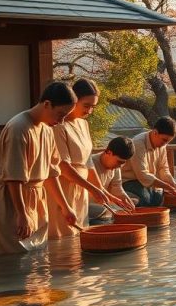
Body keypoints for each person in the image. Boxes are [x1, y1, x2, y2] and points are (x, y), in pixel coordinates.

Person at [0, 82, 78, 255]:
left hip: (35, 198)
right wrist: (21, 215)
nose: (61, 121)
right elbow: (14, 177)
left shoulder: (47, 129)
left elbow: (51, 173)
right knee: (10, 255)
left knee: (36, 256)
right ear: (46, 104)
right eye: (60, 115)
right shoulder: (19, 128)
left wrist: (65, 206)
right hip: (11, 199)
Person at [48, 78, 131, 238]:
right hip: (63, 188)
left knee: (78, 237)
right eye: (86, 106)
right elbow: (63, 166)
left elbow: (88, 162)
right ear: (73, 100)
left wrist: (101, 190)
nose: (89, 111)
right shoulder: (58, 125)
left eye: (93, 107)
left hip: (81, 190)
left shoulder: (83, 124)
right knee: (62, 235)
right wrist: (92, 188)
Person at [122, 117, 176, 207]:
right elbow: (142, 174)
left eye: (168, 141)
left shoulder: (162, 145)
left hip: (146, 182)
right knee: (146, 199)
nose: (165, 144)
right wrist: (166, 186)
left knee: (158, 197)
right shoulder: (138, 143)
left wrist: (172, 182)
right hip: (129, 181)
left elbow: (163, 168)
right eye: (164, 140)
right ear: (155, 132)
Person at [88, 136, 136, 219]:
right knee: (108, 214)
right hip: (88, 205)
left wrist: (126, 200)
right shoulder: (91, 163)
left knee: (130, 205)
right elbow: (97, 189)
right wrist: (115, 201)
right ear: (109, 152)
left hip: (104, 204)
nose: (120, 166)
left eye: (123, 163)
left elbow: (117, 187)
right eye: (119, 162)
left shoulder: (116, 167)